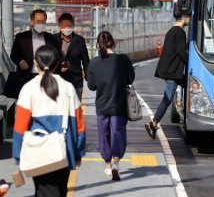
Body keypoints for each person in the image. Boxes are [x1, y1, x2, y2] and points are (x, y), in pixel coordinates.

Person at [12, 45, 86, 197]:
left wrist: (18, 156)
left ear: (35, 62)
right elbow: (79, 126)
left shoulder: (29, 88)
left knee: (45, 191)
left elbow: (20, 127)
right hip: (65, 150)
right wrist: (78, 154)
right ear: (57, 63)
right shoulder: (68, 88)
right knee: (61, 191)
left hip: (38, 150)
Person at [87, 31, 134, 180]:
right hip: (119, 105)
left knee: (104, 135)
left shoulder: (93, 62)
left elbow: (91, 86)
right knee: (118, 133)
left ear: (97, 45)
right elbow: (130, 78)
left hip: (101, 106)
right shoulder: (123, 59)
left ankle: (107, 166)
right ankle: (116, 164)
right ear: (113, 43)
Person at [145, 13, 190, 139]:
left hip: (171, 71)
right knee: (167, 99)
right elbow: (181, 52)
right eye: (188, 17)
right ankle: (153, 124)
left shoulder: (171, 31)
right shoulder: (180, 32)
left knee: (191, 86)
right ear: (184, 17)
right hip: (173, 72)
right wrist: (192, 62)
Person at [11, 9, 63, 75]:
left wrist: (63, 62)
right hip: (27, 75)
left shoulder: (51, 38)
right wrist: (21, 61)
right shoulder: (21, 37)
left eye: (43, 21)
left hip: (46, 76)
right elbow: (14, 55)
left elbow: (57, 54)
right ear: (31, 22)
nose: (41, 24)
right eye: (38, 21)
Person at [53, 13, 90, 101]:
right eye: (64, 25)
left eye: (69, 25)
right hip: (57, 81)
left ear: (73, 25)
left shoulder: (79, 40)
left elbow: (86, 61)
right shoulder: (53, 39)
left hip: (75, 82)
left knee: (75, 111)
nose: (66, 28)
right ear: (59, 25)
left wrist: (90, 79)